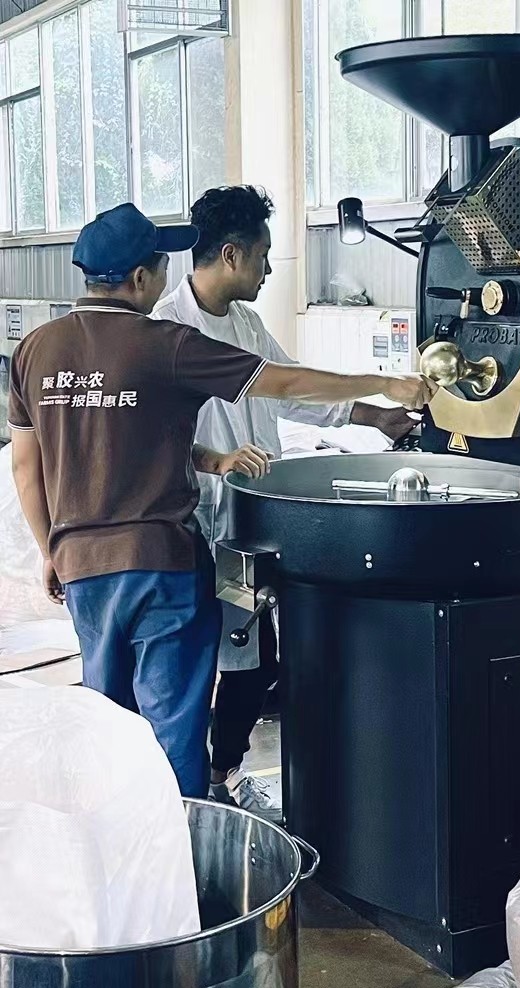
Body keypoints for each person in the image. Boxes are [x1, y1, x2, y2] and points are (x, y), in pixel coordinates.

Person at [7, 202, 433, 799]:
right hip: (161, 563)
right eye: (161, 264)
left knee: (111, 720)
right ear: (140, 278)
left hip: (84, 567)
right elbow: (285, 382)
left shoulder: (34, 351)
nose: (168, 274)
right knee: (175, 723)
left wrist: (51, 547)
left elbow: (29, 465)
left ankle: (126, 831)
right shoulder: (165, 341)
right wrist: (385, 383)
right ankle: (186, 842)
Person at [153, 185, 416, 819]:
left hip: (249, 518)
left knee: (249, 661)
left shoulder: (245, 324)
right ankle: (179, 795)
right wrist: (384, 386)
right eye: (263, 255)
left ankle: (222, 772)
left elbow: (292, 389)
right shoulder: (167, 328)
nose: (270, 269)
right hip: (192, 523)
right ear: (231, 254)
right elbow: (156, 435)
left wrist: (374, 416)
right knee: (190, 668)